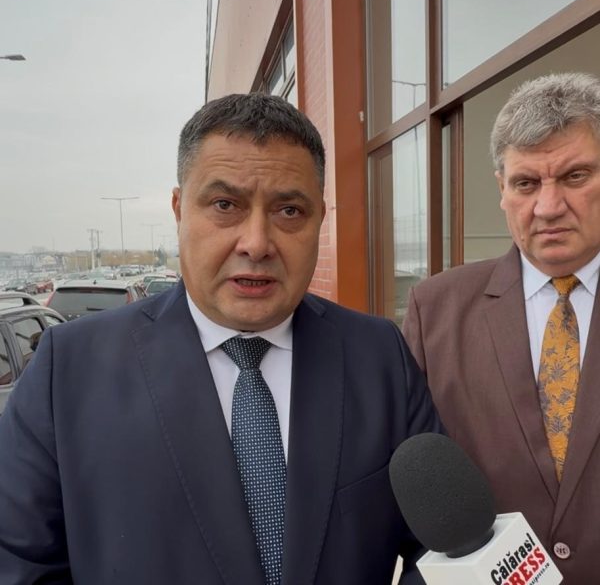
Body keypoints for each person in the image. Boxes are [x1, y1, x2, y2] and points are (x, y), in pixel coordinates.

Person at [0, 93, 442, 584]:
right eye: (225, 205)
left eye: (289, 211)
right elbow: (21, 565)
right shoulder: (68, 371)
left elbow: (442, 549)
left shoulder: (379, 357)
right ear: (179, 209)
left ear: (320, 216)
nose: (256, 243)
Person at [402, 72, 600, 583]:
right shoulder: (434, 310)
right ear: (502, 190)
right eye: (526, 183)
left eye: (575, 176)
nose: (548, 207)